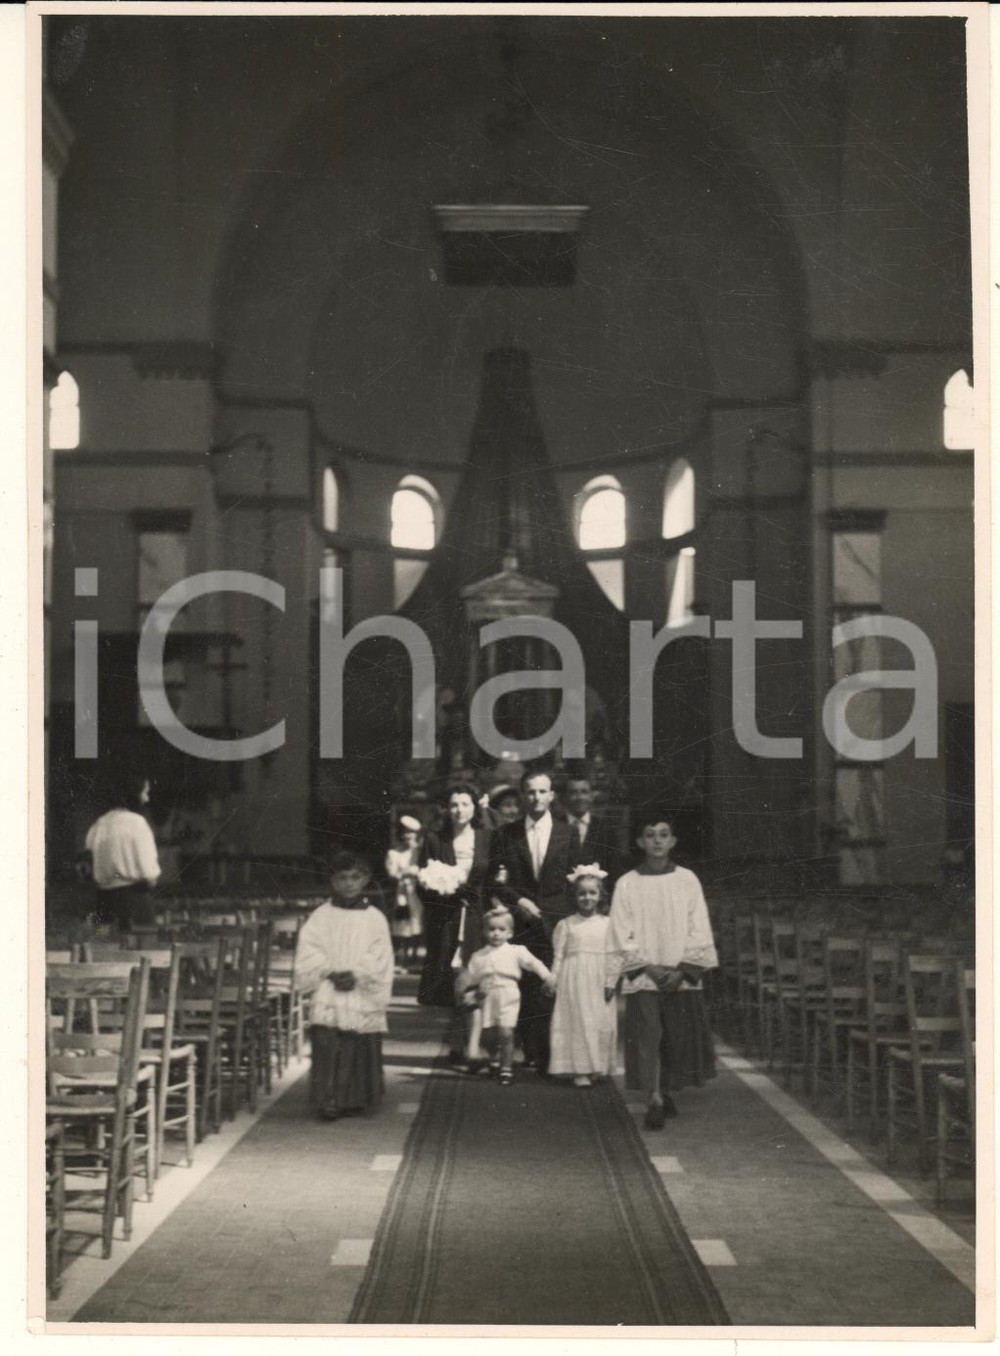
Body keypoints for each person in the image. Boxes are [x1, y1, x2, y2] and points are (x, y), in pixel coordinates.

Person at [605, 813, 718, 1128]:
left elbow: (699, 927)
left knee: (674, 1038)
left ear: (673, 841)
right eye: (650, 834)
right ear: (640, 842)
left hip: (680, 973)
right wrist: (650, 968)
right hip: (644, 975)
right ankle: (653, 1098)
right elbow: (620, 931)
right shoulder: (627, 883)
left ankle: (665, 1089)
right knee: (648, 1036)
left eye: (663, 834)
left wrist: (682, 970)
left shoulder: (687, 880)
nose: (657, 840)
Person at [295, 851, 394, 1122]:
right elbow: (309, 949)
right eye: (342, 878)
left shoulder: (374, 918)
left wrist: (358, 974)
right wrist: (329, 971)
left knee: (355, 1040)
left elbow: (380, 955)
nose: (349, 884)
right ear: (332, 881)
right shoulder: (321, 915)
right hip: (330, 984)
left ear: (365, 880)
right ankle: (328, 1099)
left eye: (355, 877)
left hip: (361, 986)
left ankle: (354, 1098)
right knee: (328, 1040)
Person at [488, 770, 575, 1071]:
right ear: (523, 795)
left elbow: (576, 879)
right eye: (530, 792)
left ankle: (553, 1053)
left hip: (557, 920)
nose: (536, 797)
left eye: (542, 791)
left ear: (551, 795)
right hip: (522, 920)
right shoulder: (505, 834)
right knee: (524, 984)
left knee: (554, 983)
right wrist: (519, 901)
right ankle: (527, 1050)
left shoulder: (568, 833)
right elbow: (495, 881)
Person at [417, 784, 494, 1067]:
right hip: (447, 919)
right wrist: (446, 891)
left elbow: (495, 877)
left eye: (465, 803)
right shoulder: (435, 840)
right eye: (454, 805)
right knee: (454, 978)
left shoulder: (487, 838)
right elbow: (422, 884)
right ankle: (460, 1042)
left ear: (475, 807)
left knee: (477, 976)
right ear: (447, 809)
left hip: (478, 917)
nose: (459, 810)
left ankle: (474, 1045)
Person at [456, 905, 554, 1086]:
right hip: (486, 997)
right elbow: (470, 979)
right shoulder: (478, 956)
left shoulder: (516, 951)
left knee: (506, 1032)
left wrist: (547, 977)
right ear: (484, 931)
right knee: (489, 1034)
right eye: (491, 929)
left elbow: (534, 963)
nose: (496, 934)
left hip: (509, 995)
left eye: (502, 929)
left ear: (510, 933)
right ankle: (494, 1058)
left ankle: (506, 1068)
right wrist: (472, 993)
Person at [547, 865, 617, 1088]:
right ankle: (579, 1069)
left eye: (592, 893)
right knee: (577, 1022)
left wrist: (611, 981)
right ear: (574, 896)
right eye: (582, 893)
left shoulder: (608, 924)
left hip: (599, 978)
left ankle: (598, 1066)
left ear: (600, 895)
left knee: (600, 1022)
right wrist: (552, 979)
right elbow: (558, 956)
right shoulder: (566, 925)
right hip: (574, 980)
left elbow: (615, 956)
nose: (587, 897)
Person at [84, 771, 161, 938]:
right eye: (144, 792)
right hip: (135, 902)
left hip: (104, 903)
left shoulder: (99, 824)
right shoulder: (137, 823)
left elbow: (88, 863)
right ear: (133, 794)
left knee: (108, 958)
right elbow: (150, 872)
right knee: (143, 959)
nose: (146, 798)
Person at [562, 774, 624, 886]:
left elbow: (615, 870)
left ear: (591, 796)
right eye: (573, 792)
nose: (579, 797)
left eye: (584, 792)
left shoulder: (606, 829)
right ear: (565, 797)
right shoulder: (554, 827)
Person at [385, 814, 424, 972]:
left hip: (417, 893)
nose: (408, 836)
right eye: (405, 833)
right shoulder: (394, 854)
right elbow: (392, 873)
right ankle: (402, 959)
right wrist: (405, 873)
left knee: (417, 924)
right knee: (402, 925)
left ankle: (415, 958)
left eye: (412, 833)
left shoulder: (420, 852)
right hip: (402, 894)